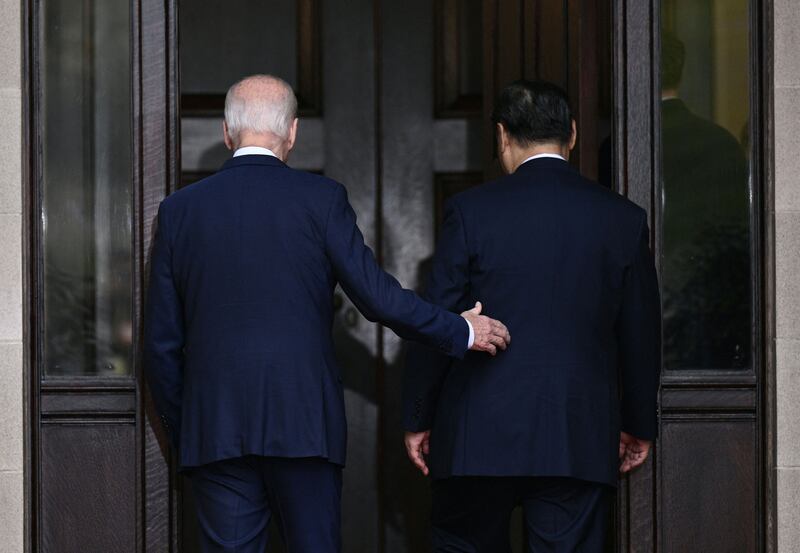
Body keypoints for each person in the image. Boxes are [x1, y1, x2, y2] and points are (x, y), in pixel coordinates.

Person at [144, 74, 510, 553]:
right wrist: (459, 329)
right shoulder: (321, 200)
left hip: (216, 432)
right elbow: (378, 298)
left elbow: (161, 346)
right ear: (292, 132)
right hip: (305, 428)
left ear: (227, 132)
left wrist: (187, 428)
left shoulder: (179, 211)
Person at [402, 80, 661, 552]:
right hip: (575, 436)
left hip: (475, 437)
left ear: (502, 135)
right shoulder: (622, 218)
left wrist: (419, 414)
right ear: (574, 134)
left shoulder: (470, 211)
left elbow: (436, 319)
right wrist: (638, 423)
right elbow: (641, 334)